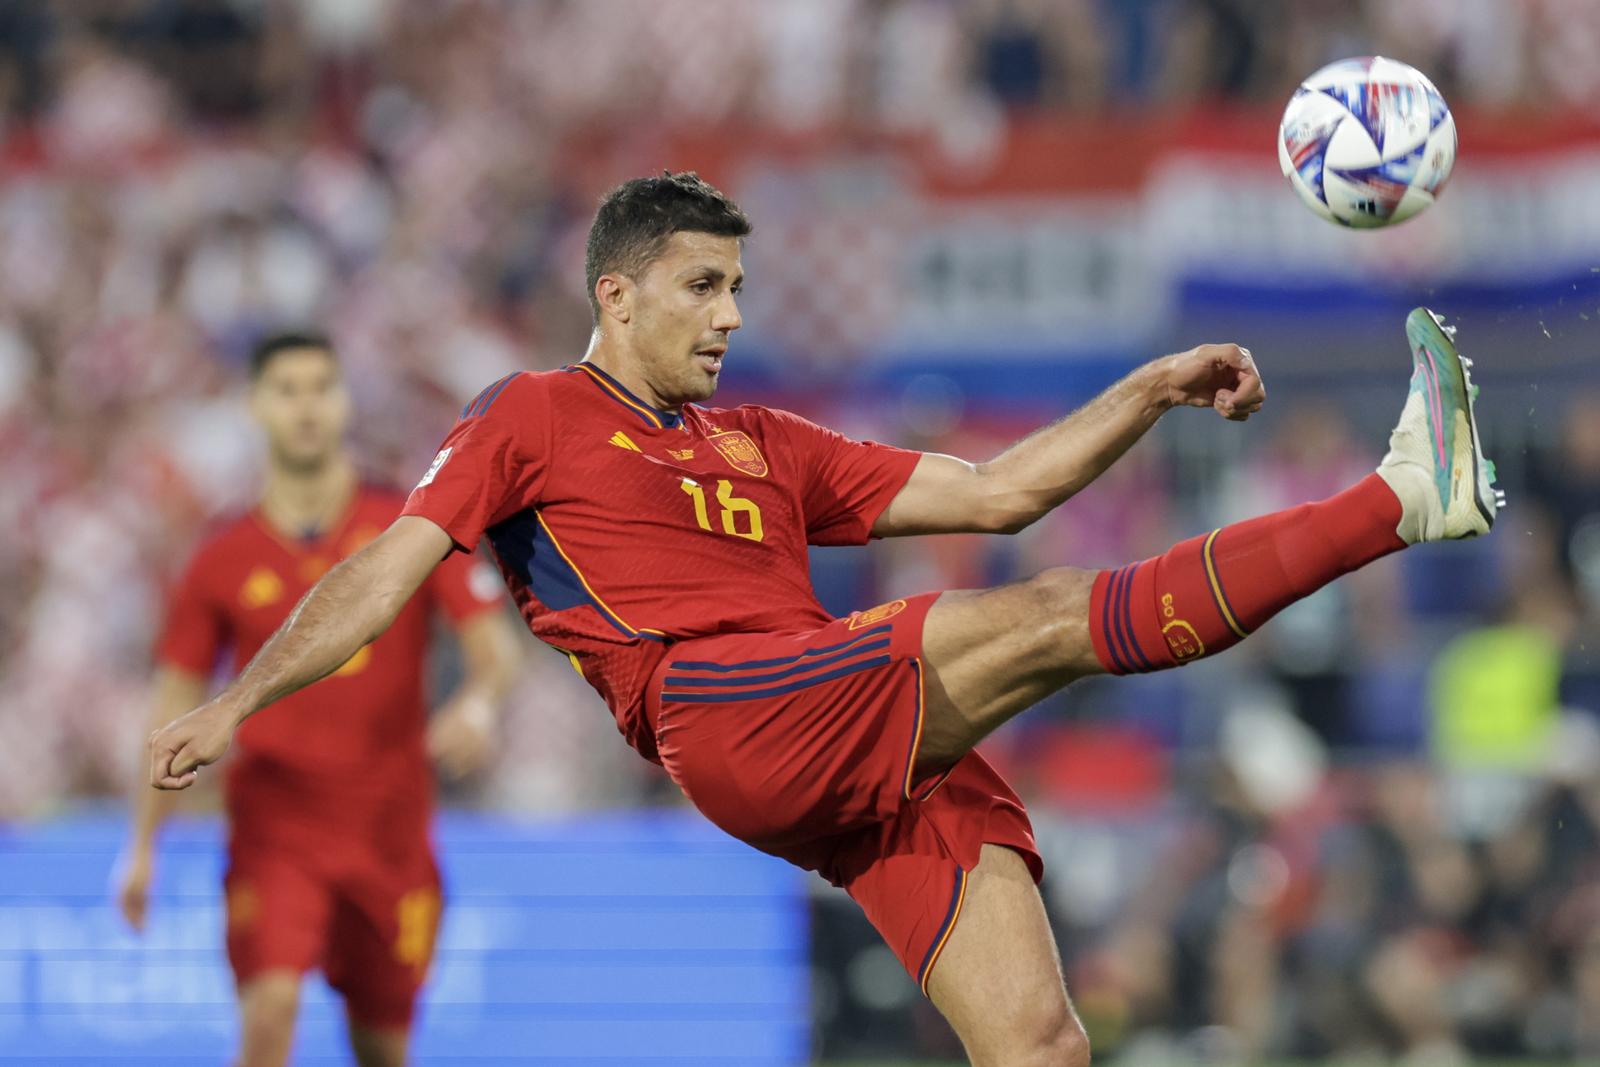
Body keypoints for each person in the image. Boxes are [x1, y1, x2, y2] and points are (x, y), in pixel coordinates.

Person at [148, 174, 1499, 1067]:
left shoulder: (765, 439)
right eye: (701, 287)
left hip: (839, 745)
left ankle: (1404, 495)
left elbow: (1000, 487)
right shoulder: (528, 416)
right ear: (614, 293)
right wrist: (236, 699)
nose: (731, 314)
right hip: (725, 708)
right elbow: (388, 569)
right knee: (1024, 623)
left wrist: (1144, 389)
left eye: (738, 287)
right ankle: (1398, 498)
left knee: (1041, 1041)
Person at [120, 332, 522, 1067]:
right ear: (256, 407)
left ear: (344, 402)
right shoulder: (220, 558)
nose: (306, 407)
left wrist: (478, 703)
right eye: (287, 390)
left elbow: (493, 650)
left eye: (321, 388)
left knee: (381, 1046)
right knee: (269, 1014)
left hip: (390, 829)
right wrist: (143, 845)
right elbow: (173, 705)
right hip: (277, 827)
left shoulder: (411, 529)